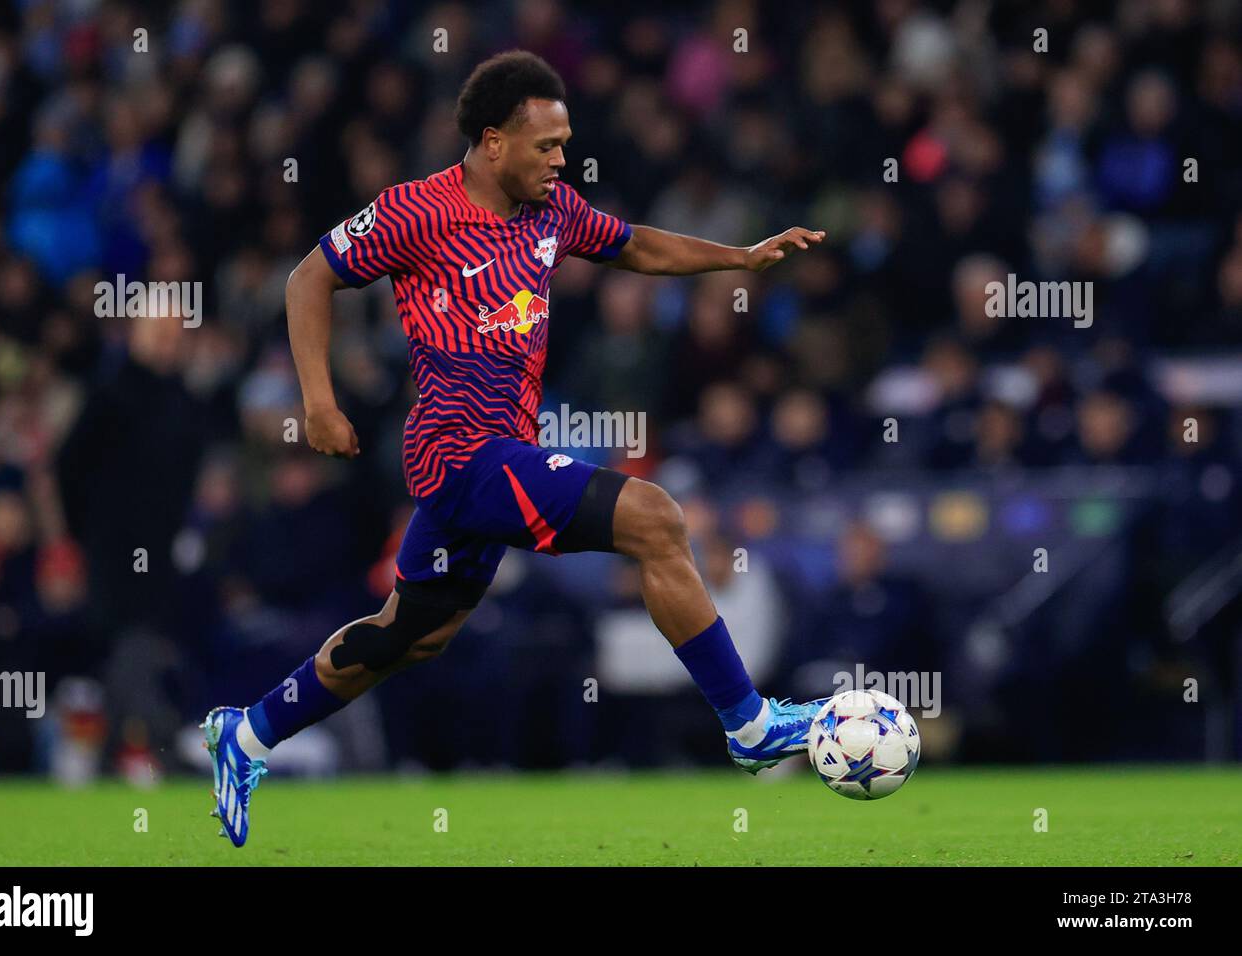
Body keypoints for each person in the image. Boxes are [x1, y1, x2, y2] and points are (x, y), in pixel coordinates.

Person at [202, 50, 827, 847]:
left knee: (410, 636)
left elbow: (633, 244)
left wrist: (736, 258)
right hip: (458, 454)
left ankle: (246, 735)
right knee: (657, 519)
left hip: (498, 455)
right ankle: (749, 726)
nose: (562, 160)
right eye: (547, 145)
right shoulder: (413, 212)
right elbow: (306, 281)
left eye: (565, 144)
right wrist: (319, 404)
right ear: (492, 140)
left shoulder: (553, 210)